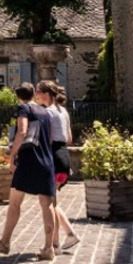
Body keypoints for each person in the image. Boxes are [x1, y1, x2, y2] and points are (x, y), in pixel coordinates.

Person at [0, 83, 57, 261]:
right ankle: (49, 248)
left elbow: (22, 131)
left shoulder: (23, 108)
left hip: (28, 161)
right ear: (34, 94)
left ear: (17, 96)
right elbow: (49, 138)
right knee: (47, 205)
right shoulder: (45, 111)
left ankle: (4, 242)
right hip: (47, 160)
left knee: (15, 203)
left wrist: (12, 155)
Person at [39, 83, 80, 252]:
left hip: (53, 157)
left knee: (48, 203)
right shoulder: (64, 111)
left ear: (46, 94)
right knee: (52, 202)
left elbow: (47, 139)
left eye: (39, 92)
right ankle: (63, 239)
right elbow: (69, 138)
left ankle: (60, 240)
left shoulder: (48, 112)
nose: (36, 94)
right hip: (64, 156)